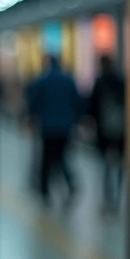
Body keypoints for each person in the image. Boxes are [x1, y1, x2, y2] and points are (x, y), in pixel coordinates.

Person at [26, 54, 83, 204]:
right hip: (65, 127)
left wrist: (31, 117)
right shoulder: (68, 80)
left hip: (48, 127)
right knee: (62, 156)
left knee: (46, 158)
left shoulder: (43, 81)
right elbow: (77, 102)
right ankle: (70, 184)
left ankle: (44, 191)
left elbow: (34, 103)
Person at [87, 54, 127, 212]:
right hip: (121, 129)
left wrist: (91, 121)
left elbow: (92, 106)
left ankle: (107, 197)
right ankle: (117, 197)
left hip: (103, 130)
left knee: (105, 164)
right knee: (119, 163)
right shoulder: (122, 81)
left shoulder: (99, 82)